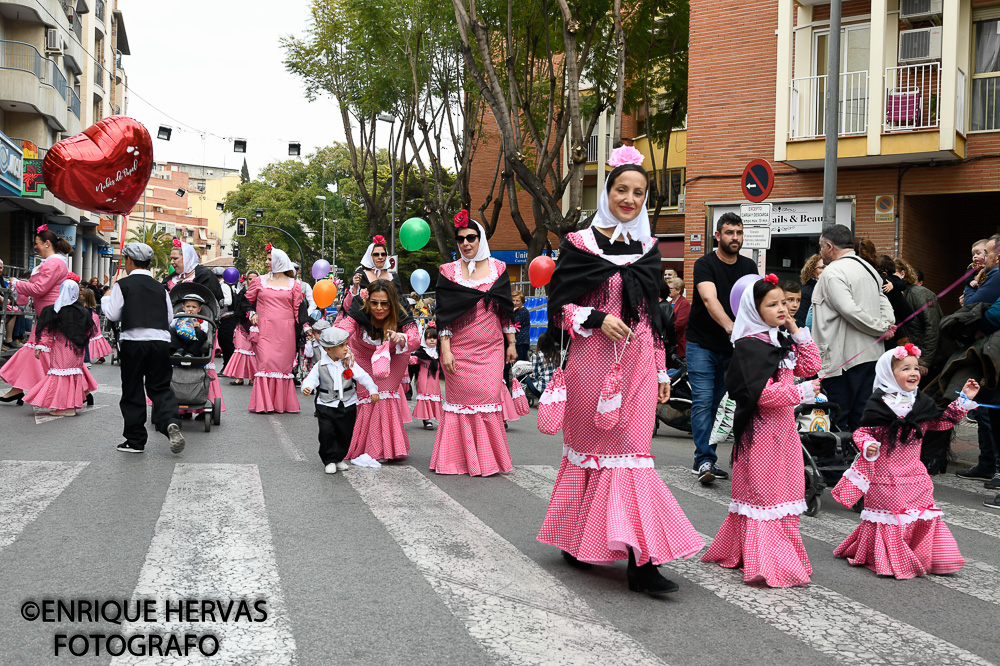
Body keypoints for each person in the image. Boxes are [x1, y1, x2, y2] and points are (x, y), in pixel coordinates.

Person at [536, 154, 704, 595]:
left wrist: (659, 365)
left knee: (632, 456)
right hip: (591, 364)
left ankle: (641, 562)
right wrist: (595, 317)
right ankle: (577, 537)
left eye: (638, 192)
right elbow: (559, 308)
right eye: (621, 190)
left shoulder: (647, 249)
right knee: (591, 454)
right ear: (607, 193)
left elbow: (650, 316)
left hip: (637, 368)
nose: (629, 199)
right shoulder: (579, 244)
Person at [701, 275, 822, 587]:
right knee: (765, 495)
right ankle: (766, 559)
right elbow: (761, 395)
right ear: (754, 310)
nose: (783, 308)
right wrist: (802, 393)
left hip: (785, 433)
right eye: (773, 304)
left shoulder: (778, 341)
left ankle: (779, 555)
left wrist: (795, 329)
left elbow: (810, 366)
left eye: (784, 302)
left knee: (787, 492)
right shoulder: (748, 347)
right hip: (761, 434)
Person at [831, 345, 977, 579]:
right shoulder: (879, 404)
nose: (913, 373)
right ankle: (894, 558)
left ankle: (931, 557)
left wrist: (964, 400)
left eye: (916, 368)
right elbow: (862, 431)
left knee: (923, 514)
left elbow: (941, 423)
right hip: (886, 477)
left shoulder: (921, 402)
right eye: (905, 368)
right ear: (888, 373)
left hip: (916, 475)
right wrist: (867, 444)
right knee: (894, 517)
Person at [430, 213, 518, 476]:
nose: (465, 243)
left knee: (489, 399)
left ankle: (487, 460)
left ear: (480, 238)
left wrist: (511, 343)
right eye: (460, 239)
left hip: (491, 350)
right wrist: (445, 350)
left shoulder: (499, 268)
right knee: (459, 402)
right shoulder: (448, 272)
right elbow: (443, 316)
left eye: (471, 237)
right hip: (458, 349)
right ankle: (456, 460)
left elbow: (505, 310)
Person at [687, 212, 757, 483]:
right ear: (718, 236)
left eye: (739, 233)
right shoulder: (704, 264)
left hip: (733, 349)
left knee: (720, 405)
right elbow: (708, 298)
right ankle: (704, 460)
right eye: (729, 233)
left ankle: (708, 458)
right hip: (702, 345)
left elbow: (754, 303)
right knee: (704, 402)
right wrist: (731, 327)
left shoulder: (749, 266)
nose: (735, 238)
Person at [101, 243, 185, 454]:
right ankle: (169, 422)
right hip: (160, 342)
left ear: (129, 260)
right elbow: (169, 318)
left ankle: (135, 441)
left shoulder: (123, 285)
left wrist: (105, 298)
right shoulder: (161, 288)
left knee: (133, 390)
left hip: (133, 342)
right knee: (160, 387)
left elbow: (112, 315)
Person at [812, 224, 894, 431]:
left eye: (821, 247)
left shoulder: (832, 272)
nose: (820, 252)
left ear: (829, 246)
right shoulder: (869, 268)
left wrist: (881, 328)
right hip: (871, 354)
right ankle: (859, 457)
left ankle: (832, 460)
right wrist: (885, 325)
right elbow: (885, 304)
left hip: (843, 358)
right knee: (861, 413)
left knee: (837, 414)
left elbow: (849, 310)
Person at [336, 279, 420, 461]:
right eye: (374, 303)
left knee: (384, 393)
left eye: (384, 303)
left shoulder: (402, 308)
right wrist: (340, 345)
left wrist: (401, 337)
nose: (379, 308)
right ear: (367, 301)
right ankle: (366, 446)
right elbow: (343, 329)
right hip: (363, 353)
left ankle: (387, 448)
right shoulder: (358, 306)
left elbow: (415, 339)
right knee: (367, 394)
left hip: (393, 355)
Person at [0, 226, 71, 404]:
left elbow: (40, 289)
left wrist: (17, 284)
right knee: (38, 353)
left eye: (37, 243)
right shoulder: (50, 263)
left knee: (45, 354)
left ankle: (81, 391)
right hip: (46, 316)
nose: (35, 247)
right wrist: (21, 287)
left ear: (47, 243)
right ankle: (17, 388)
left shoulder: (54, 263)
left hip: (50, 317)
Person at [302, 327, 380, 475]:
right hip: (326, 405)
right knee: (326, 433)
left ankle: (339, 458)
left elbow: (363, 376)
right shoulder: (320, 365)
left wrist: (373, 390)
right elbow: (310, 379)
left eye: (346, 345)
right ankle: (329, 459)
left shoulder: (348, 363)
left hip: (347, 404)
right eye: (342, 346)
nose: (346, 349)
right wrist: (307, 387)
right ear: (328, 349)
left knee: (345, 433)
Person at [245, 246, 310, 413]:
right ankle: (263, 404)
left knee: (283, 367)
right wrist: (251, 312)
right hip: (265, 331)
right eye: (266, 259)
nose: (266, 262)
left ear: (280, 262)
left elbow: (299, 309)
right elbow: (245, 301)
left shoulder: (294, 285)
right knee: (265, 363)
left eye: (269, 259)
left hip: (286, 333)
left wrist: (306, 327)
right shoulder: (259, 281)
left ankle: (281, 404)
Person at [22, 279, 98, 417]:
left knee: (60, 375)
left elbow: (46, 331)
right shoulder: (83, 311)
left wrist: (40, 346)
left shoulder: (54, 310)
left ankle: (63, 406)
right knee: (72, 375)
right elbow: (88, 331)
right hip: (77, 350)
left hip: (61, 348)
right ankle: (71, 406)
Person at [344, 235, 407, 313]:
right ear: (370, 256)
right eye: (376, 254)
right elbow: (348, 306)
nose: (380, 257)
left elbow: (400, 303)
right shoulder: (360, 275)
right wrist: (355, 288)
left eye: (383, 254)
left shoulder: (393, 277)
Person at [224, 272, 259, 386]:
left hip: (256, 326)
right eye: (249, 279)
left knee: (253, 352)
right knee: (240, 350)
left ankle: (252, 378)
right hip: (242, 326)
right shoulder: (242, 293)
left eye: (254, 279)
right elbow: (237, 309)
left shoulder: (261, 293)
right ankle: (239, 377)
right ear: (246, 280)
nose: (252, 281)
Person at [165, 239, 223, 305]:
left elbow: (211, 302)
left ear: (187, 258)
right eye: (171, 259)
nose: (171, 262)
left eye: (175, 259)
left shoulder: (205, 276)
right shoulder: (171, 278)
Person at [411, 324, 443, 430]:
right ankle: (427, 420)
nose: (432, 340)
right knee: (425, 398)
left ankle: (433, 417)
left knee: (434, 397)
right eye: (429, 338)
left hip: (435, 382)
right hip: (423, 380)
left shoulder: (440, 353)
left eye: (434, 338)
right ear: (424, 339)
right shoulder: (421, 353)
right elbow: (413, 360)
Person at [963, 235, 1000, 307]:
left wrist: (971, 285)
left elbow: (969, 306)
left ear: (998, 258)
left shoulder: (997, 276)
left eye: (986, 253)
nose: (983, 259)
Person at [81, 288, 113, 364]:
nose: (80, 296)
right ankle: (99, 356)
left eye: (82, 295)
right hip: (93, 317)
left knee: (94, 337)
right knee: (94, 337)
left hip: (92, 319)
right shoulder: (89, 306)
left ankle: (91, 357)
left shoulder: (85, 306)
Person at [215, 267, 237, 370]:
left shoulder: (223, 286)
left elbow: (228, 301)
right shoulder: (230, 285)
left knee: (226, 344)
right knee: (225, 343)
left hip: (227, 318)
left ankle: (229, 367)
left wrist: (217, 302)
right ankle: (228, 367)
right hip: (227, 319)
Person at [523, 332, 556, 401]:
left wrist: (532, 375)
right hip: (555, 389)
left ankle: (541, 398)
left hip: (543, 389)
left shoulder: (536, 355)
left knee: (528, 378)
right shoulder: (556, 355)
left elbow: (536, 375)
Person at [797, 254, 825, 329]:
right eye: (822, 267)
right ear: (811, 272)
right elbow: (801, 321)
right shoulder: (806, 292)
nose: (826, 270)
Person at [961, 238, 990, 306]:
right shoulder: (974, 265)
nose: (975, 256)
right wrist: (971, 281)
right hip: (976, 287)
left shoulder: (991, 265)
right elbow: (968, 275)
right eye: (973, 255)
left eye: (978, 253)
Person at [667, 277, 689, 361]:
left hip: (679, 344)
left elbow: (680, 324)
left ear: (678, 290)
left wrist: (667, 332)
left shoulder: (684, 303)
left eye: (670, 288)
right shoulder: (669, 303)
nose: (668, 290)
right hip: (670, 343)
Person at [511, 290, 531, 361]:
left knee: (520, 363)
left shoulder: (523, 311)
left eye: (517, 301)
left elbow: (514, 321)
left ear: (522, 301)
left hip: (521, 342)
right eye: (513, 300)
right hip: (516, 341)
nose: (515, 303)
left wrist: (511, 312)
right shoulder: (516, 310)